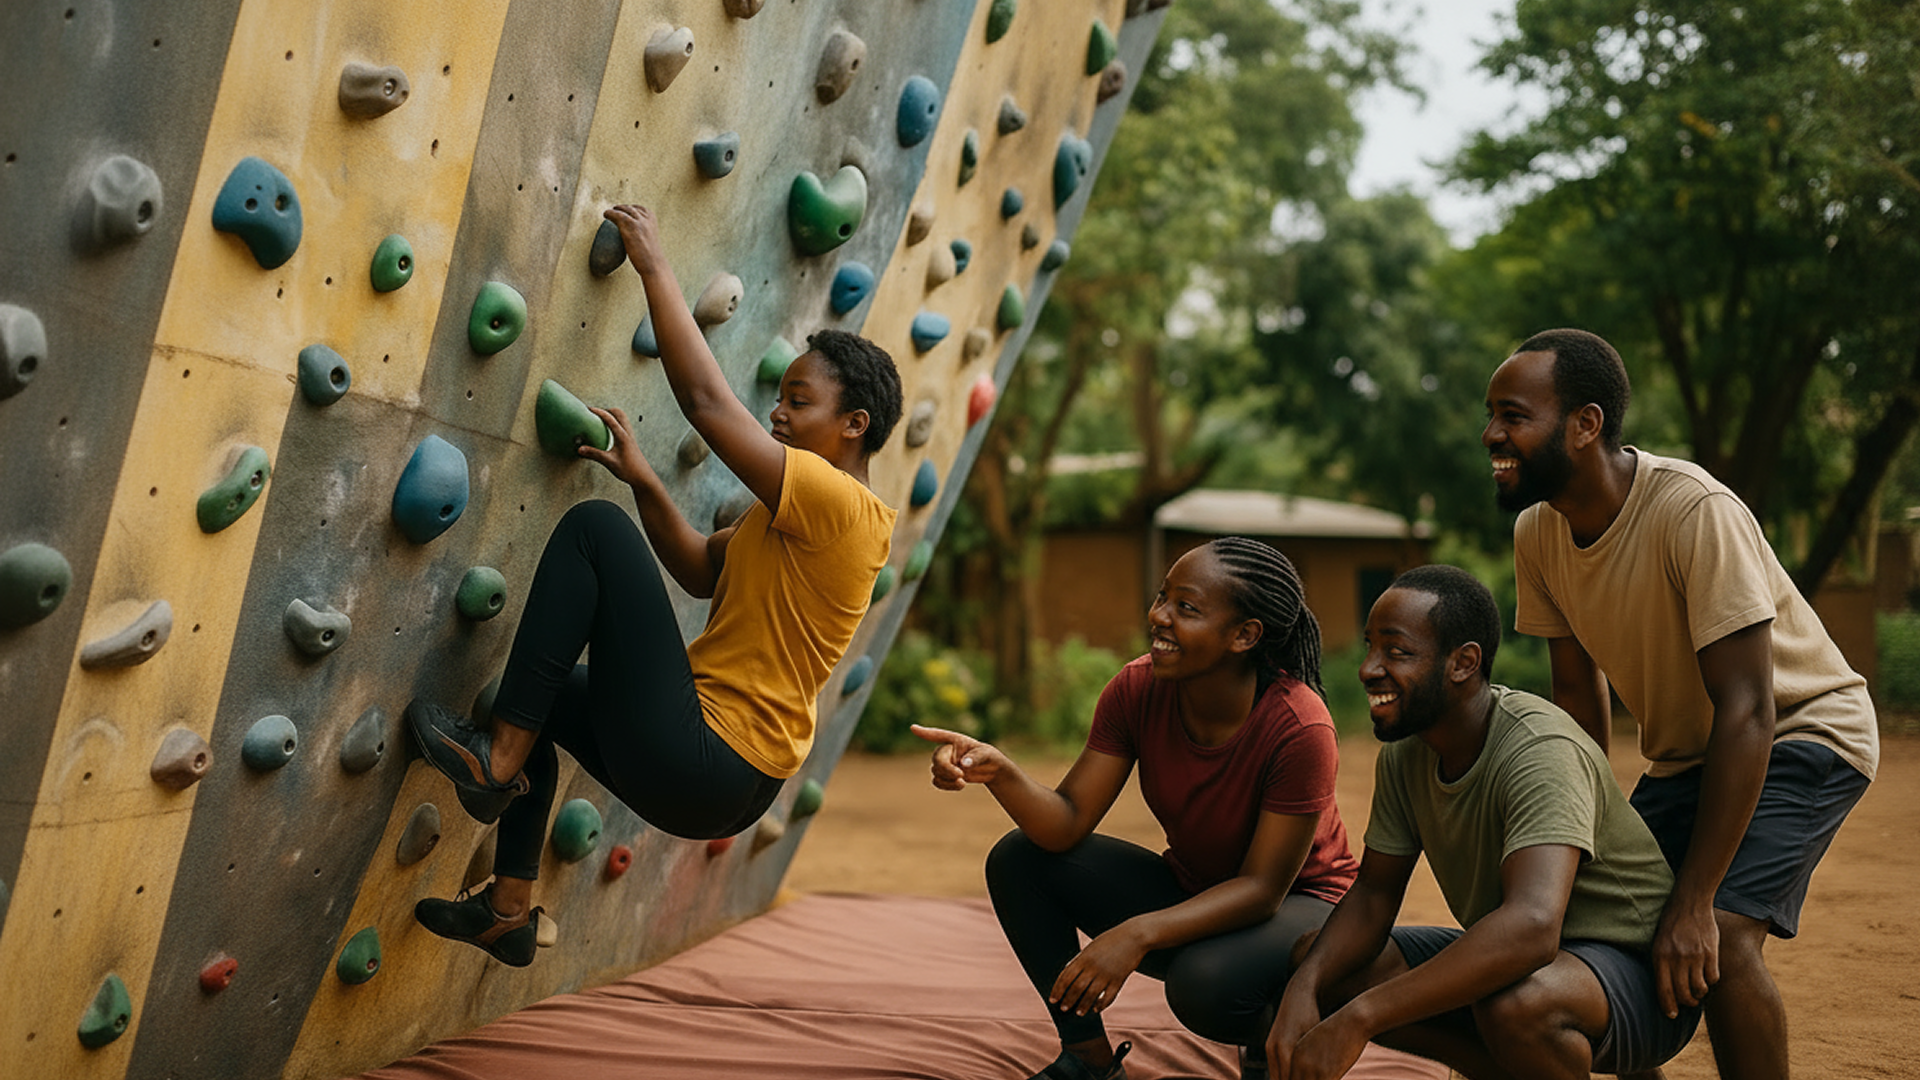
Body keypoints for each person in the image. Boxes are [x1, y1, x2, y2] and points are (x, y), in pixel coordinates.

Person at [406, 204, 902, 966]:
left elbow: (707, 405)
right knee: (537, 701)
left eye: (799, 402)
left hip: (711, 757)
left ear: (855, 425)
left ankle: (494, 764)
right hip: (725, 780)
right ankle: (506, 909)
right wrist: (644, 481)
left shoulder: (847, 509)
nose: (777, 411)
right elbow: (702, 570)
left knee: (594, 531)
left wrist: (655, 266)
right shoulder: (791, 520)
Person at [1482, 328, 1878, 1079]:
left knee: (1720, 938)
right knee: (1602, 927)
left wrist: (1695, 900)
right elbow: (1576, 694)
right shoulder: (1538, 533)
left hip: (1803, 728)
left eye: (1513, 414)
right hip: (1688, 756)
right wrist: (1579, 833)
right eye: (1492, 414)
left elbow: (1749, 707)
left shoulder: (1692, 509)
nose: (1491, 433)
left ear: (1585, 423)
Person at [915, 538, 1360, 1080]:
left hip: (1304, 909)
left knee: (1204, 985)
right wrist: (999, 772)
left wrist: (1137, 933)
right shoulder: (1137, 688)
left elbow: (1263, 888)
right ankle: (1088, 1061)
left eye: (1186, 608)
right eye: (1162, 597)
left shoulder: (1298, 726)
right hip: (1199, 891)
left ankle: (1272, 1035)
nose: (1160, 616)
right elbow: (1066, 823)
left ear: (1244, 636)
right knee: (1020, 859)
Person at [1267, 565, 1700, 1079]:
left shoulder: (1539, 749)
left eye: (1396, 652)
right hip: (1527, 964)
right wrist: (1306, 986)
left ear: (1463, 663)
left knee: (1518, 1005)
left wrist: (1362, 1018)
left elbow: (1534, 927)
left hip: (1642, 978)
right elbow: (1374, 895)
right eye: (1370, 648)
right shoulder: (1410, 751)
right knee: (1328, 964)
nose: (1368, 668)